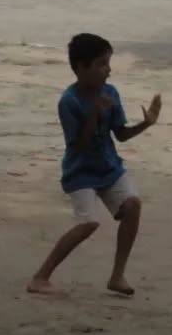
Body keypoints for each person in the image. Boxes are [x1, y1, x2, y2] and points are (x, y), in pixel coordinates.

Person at [28, 34, 160, 296]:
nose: (108, 70)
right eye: (101, 64)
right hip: (80, 172)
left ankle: (117, 275)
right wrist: (94, 114)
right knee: (88, 223)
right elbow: (77, 145)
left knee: (133, 206)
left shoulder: (110, 93)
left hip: (109, 167)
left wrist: (147, 123)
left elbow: (120, 135)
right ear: (80, 68)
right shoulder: (69, 101)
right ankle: (40, 276)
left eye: (108, 63)